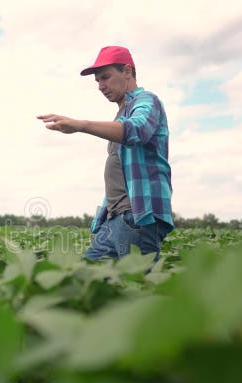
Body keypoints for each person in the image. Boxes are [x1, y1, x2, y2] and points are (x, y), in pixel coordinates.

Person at [37, 45, 173, 261]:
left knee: (135, 288)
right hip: (115, 218)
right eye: (98, 81)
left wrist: (82, 125)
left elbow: (136, 130)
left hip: (136, 216)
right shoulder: (121, 113)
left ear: (127, 71)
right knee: (88, 277)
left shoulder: (147, 101)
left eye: (106, 77)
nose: (101, 86)